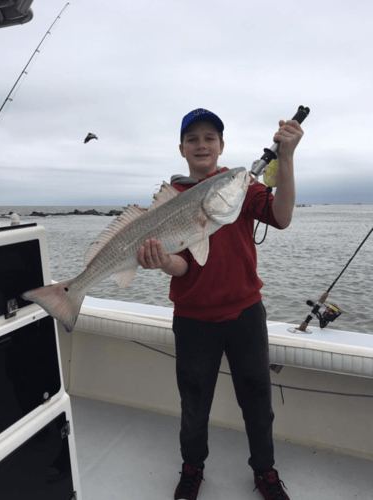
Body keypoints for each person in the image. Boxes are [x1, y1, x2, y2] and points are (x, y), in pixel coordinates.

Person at [137, 108, 303, 500]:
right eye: (192, 139)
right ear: (181, 149)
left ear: (221, 146)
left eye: (210, 137)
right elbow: (183, 266)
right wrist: (162, 262)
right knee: (194, 405)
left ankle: (265, 471)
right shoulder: (168, 200)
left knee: (258, 403)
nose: (201, 145)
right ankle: (192, 469)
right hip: (194, 319)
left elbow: (282, 217)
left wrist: (289, 157)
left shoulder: (239, 185)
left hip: (246, 313)